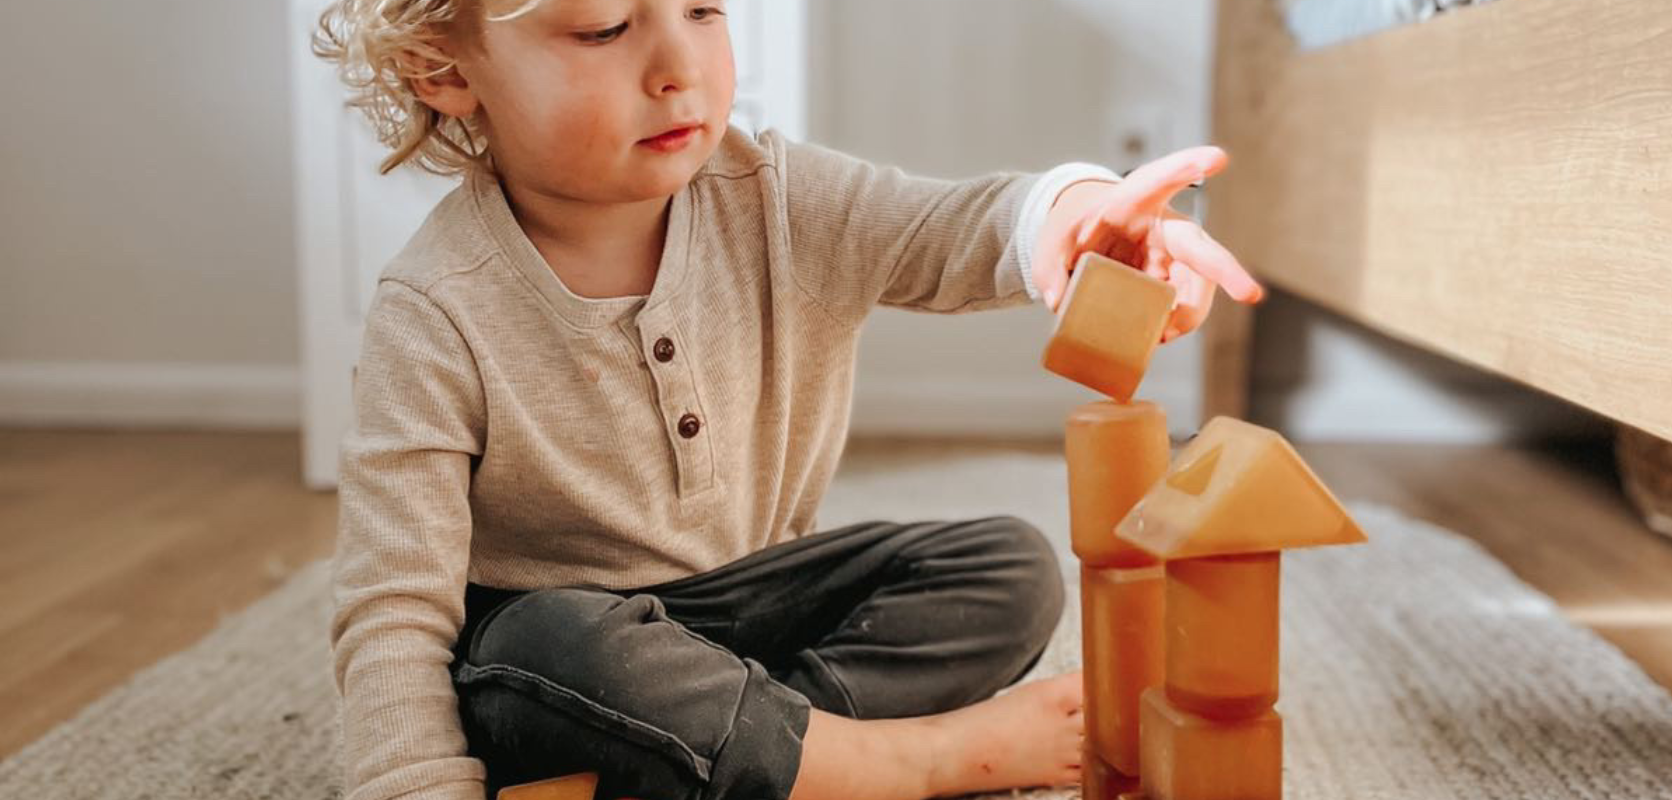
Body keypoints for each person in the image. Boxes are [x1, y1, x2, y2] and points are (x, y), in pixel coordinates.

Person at [314, 1, 1263, 798]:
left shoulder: (779, 198)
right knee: (547, 636)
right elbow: (394, 607)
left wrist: (1081, 216)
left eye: (702, 9)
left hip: (754, 610)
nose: (679, 65)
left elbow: (958, 225)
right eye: (604, 28)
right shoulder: (432, 310)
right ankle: (902, 766)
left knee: (1007, 566)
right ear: (442, 66)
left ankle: (750, 760)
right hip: (568, 669)